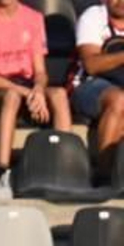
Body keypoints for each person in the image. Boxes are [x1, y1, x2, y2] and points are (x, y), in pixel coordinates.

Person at [0, 0, 70, 184]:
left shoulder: (34, 18)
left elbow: (40, 72)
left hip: (26, 83)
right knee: (12, 96)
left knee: (59, 95)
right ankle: (2, 168)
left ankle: (64, 164)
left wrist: (39, 90)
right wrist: (29, 93)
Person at [71, 0, 124, 167]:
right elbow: (92, 65)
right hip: (91, 86)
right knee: (120, 99)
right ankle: (105, 174)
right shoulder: (93, 17)